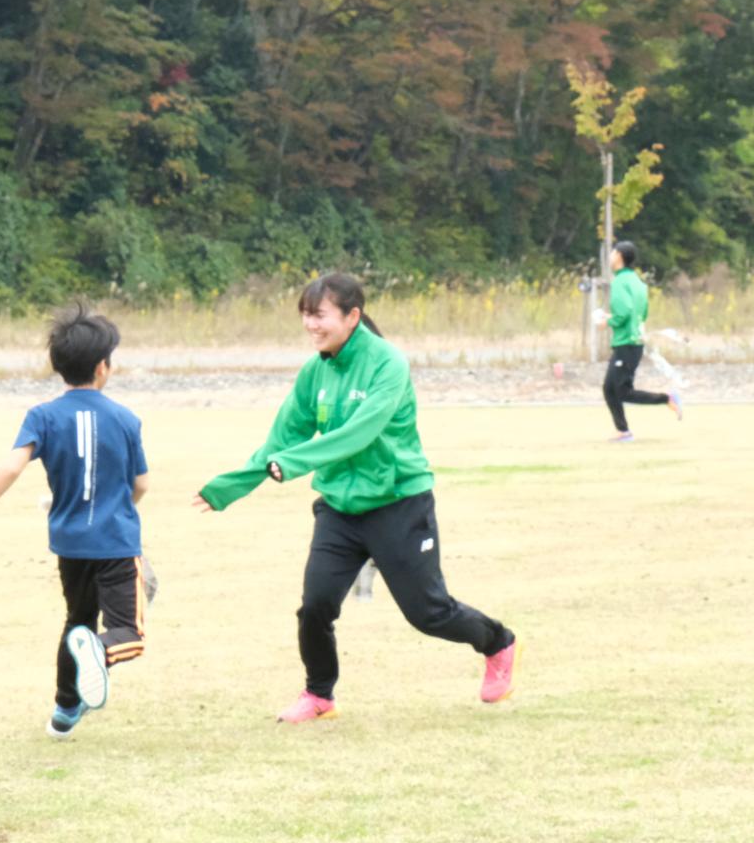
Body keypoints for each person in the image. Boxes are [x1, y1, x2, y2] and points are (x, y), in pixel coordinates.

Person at [192, 273, 518, 722]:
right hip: (340, 510)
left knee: (428, 612)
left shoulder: (388, 365)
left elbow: (359, 434)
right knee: (315, 606)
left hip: (399, 503)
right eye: (305, 315)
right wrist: (228, 487)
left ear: (352, 316)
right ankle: (319, 695)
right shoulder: (316, 370)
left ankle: (498, 643)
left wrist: (293, 463)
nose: (311, 325)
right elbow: (282, 437)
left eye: (319, 315)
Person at [0, 304, 150, 740]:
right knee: (129, 634)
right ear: (104, 367)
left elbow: (11, 467)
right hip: (116, 543)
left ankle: (65, 711)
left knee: (77, 619)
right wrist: (124, 505)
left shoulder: (42, 416)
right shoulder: (124, 418)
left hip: (70, 544)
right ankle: (98, 653)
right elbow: (141, 484)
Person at [597, 241, 682, 442]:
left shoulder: (619, 282)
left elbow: (624, 312)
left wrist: (608, 320)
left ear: (619, 256)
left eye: (612, 253)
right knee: (610, 388)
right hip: (633, 342)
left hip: (626, 343)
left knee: (622, 391)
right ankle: (623, 431)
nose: (609, 256)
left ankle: (667, 399)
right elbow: (642, 312)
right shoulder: (637, 282)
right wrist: (618, 318)